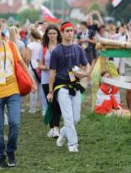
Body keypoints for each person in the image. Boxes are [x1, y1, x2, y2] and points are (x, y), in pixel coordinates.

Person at [0, 18, 36, 169]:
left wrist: (32, 81)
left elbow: (22, 63)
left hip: (13, 91)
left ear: (1, 30)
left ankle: (10, 151)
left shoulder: (10, 46)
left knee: (15, 124)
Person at [47, 21, 90, 153]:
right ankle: (73, 144)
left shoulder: (78, 49)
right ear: (62, 32)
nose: (70, 33)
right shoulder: (56, 51)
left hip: (75, 86)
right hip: (61, 87)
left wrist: (84, 73)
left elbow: (87, 65)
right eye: (67, 31)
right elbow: (52, 73)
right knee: (68, 117)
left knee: (76, 118)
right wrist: (50, 92)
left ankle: (64, 132)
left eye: (72, 31)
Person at [38, 24, 62, 138]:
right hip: (46, 80)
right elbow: (40, 65)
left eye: (54, 33)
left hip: (60, 79)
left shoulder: (61, 47)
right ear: (47, 35)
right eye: (50, 33)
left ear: (58, 34)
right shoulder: (43, 48)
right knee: (50, 103)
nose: (52, 35)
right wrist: (51, 68)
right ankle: (52, 127)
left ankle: (56, 128)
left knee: (57, 104)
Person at [28, 28, 47, 114]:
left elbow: (27, 58)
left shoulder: (30, 45)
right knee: (41, 89)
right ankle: (43, 108)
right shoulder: (41, 45)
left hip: (32, 69)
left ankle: (33, 109)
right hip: (40, 68)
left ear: (31, 36)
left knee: (33, 88)